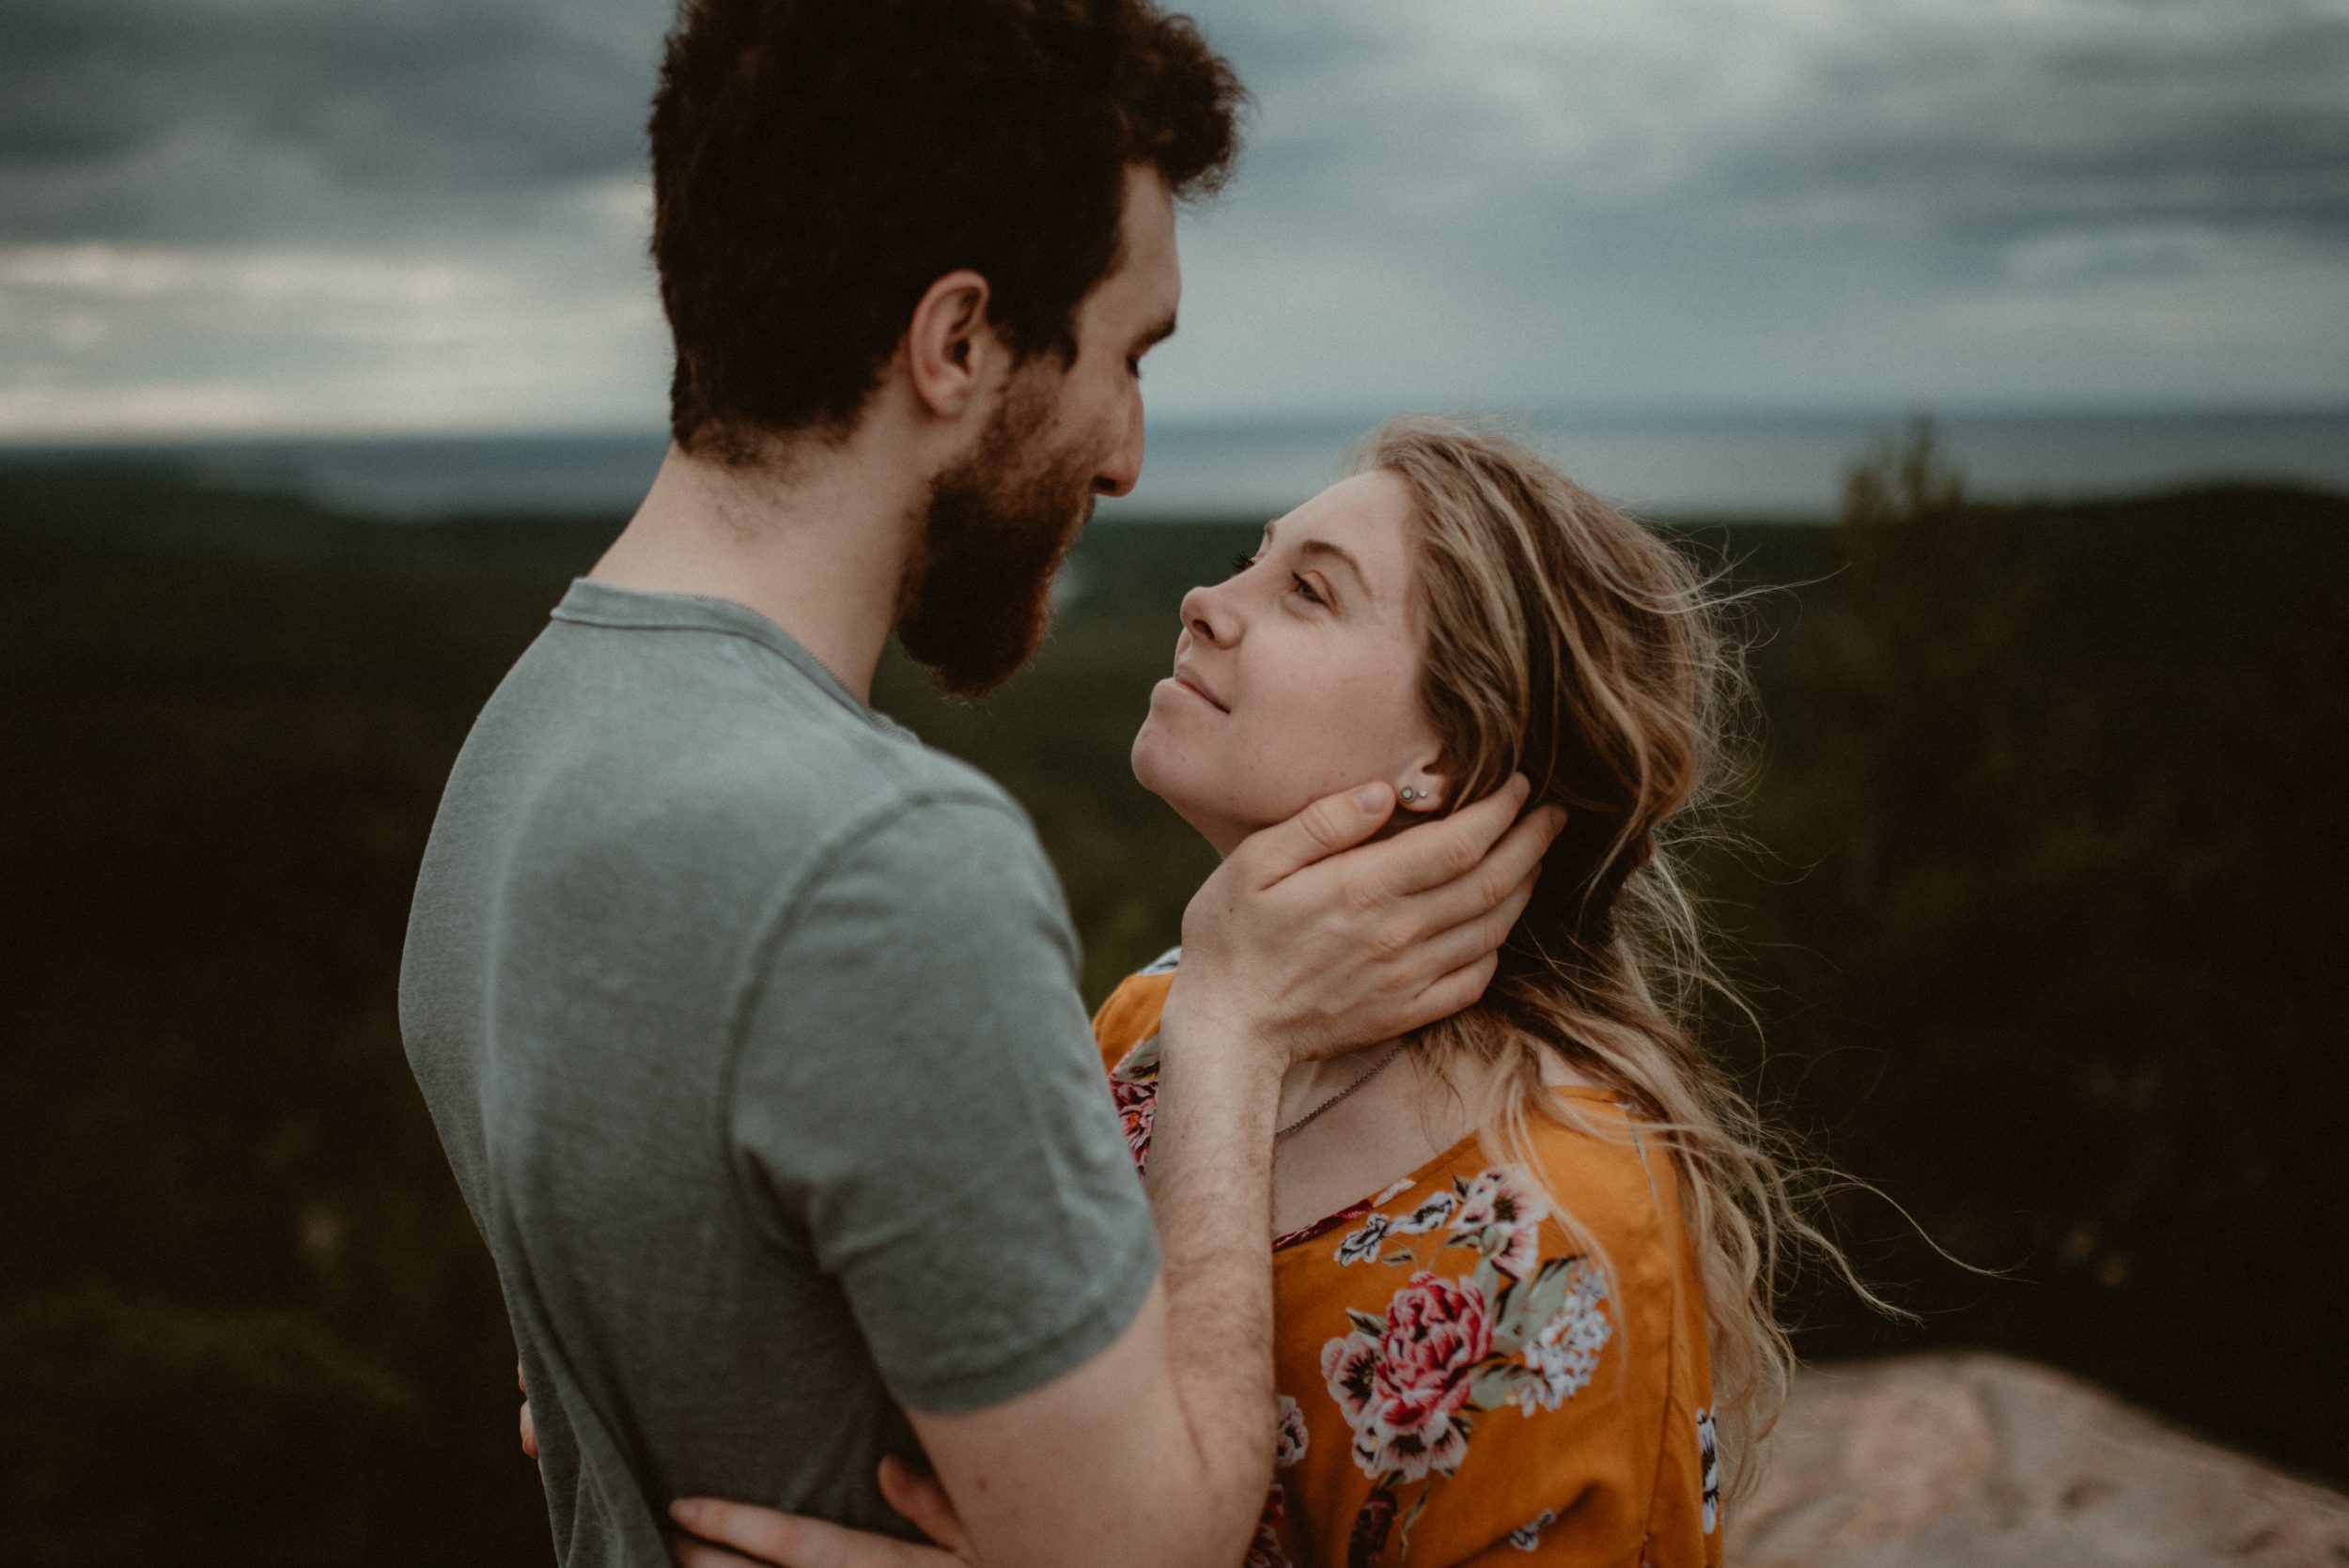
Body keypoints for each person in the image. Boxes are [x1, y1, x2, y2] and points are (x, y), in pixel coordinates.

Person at [398, 5, 1558, 1568]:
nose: (1131, 456)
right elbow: (1150, 1548)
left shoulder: (522, 743)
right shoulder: (883, 859)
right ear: (957, 345)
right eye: (1125, 356)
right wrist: (1233, 1019)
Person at [654, 417, 1867, 1567]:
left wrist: (1235, 1025)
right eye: (1252, 559)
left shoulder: (1562, 1222)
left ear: (1450, 752)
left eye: (1310, 589)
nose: (1204, 600)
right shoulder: (1154, 1010)